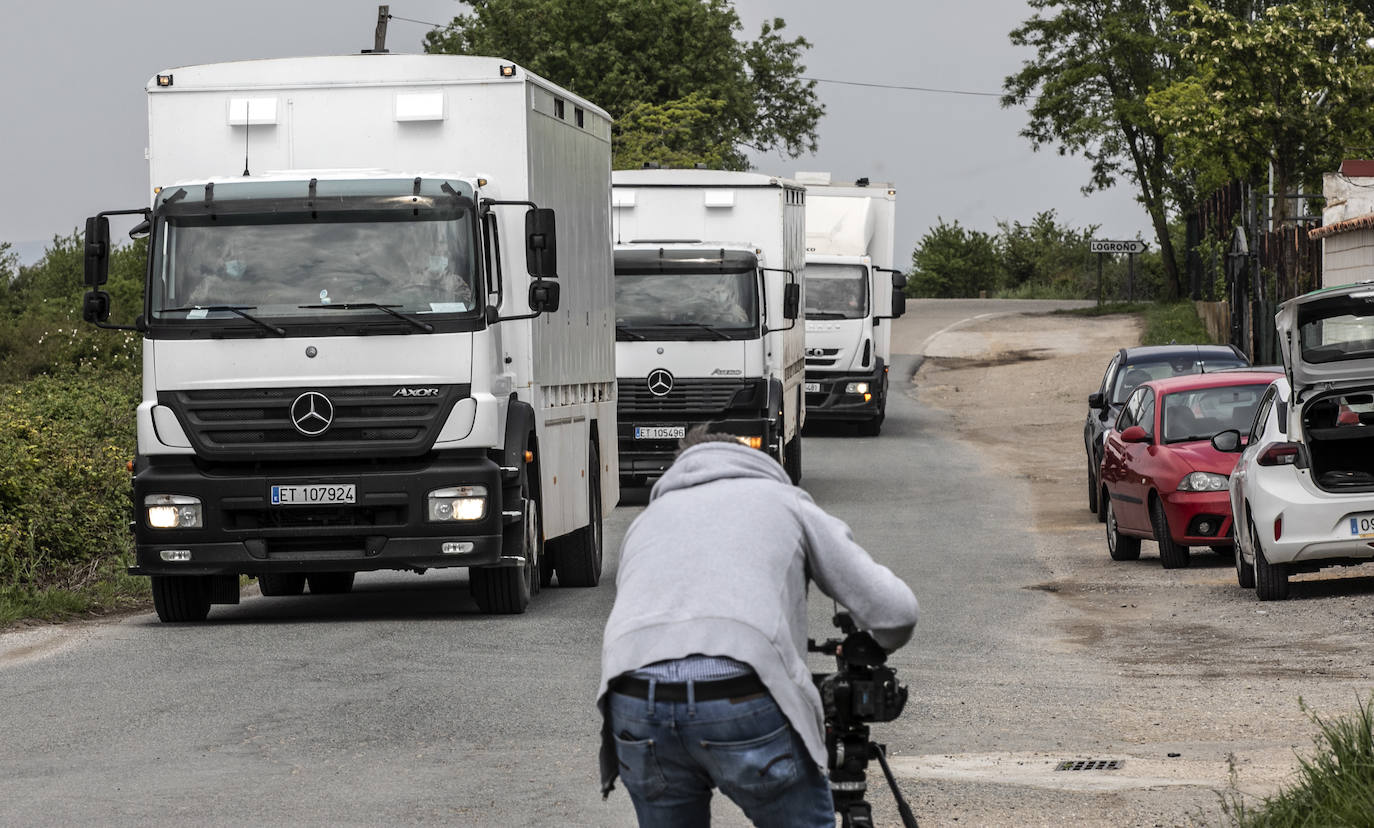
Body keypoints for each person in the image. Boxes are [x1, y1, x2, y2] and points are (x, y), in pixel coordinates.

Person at [597, 427, 920, 827]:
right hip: (739, 691)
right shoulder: (785, 502)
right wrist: (871, 646)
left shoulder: (647, 521)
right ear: (751, 461)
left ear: (680, 467)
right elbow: (897, 612)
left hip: (632, 696)